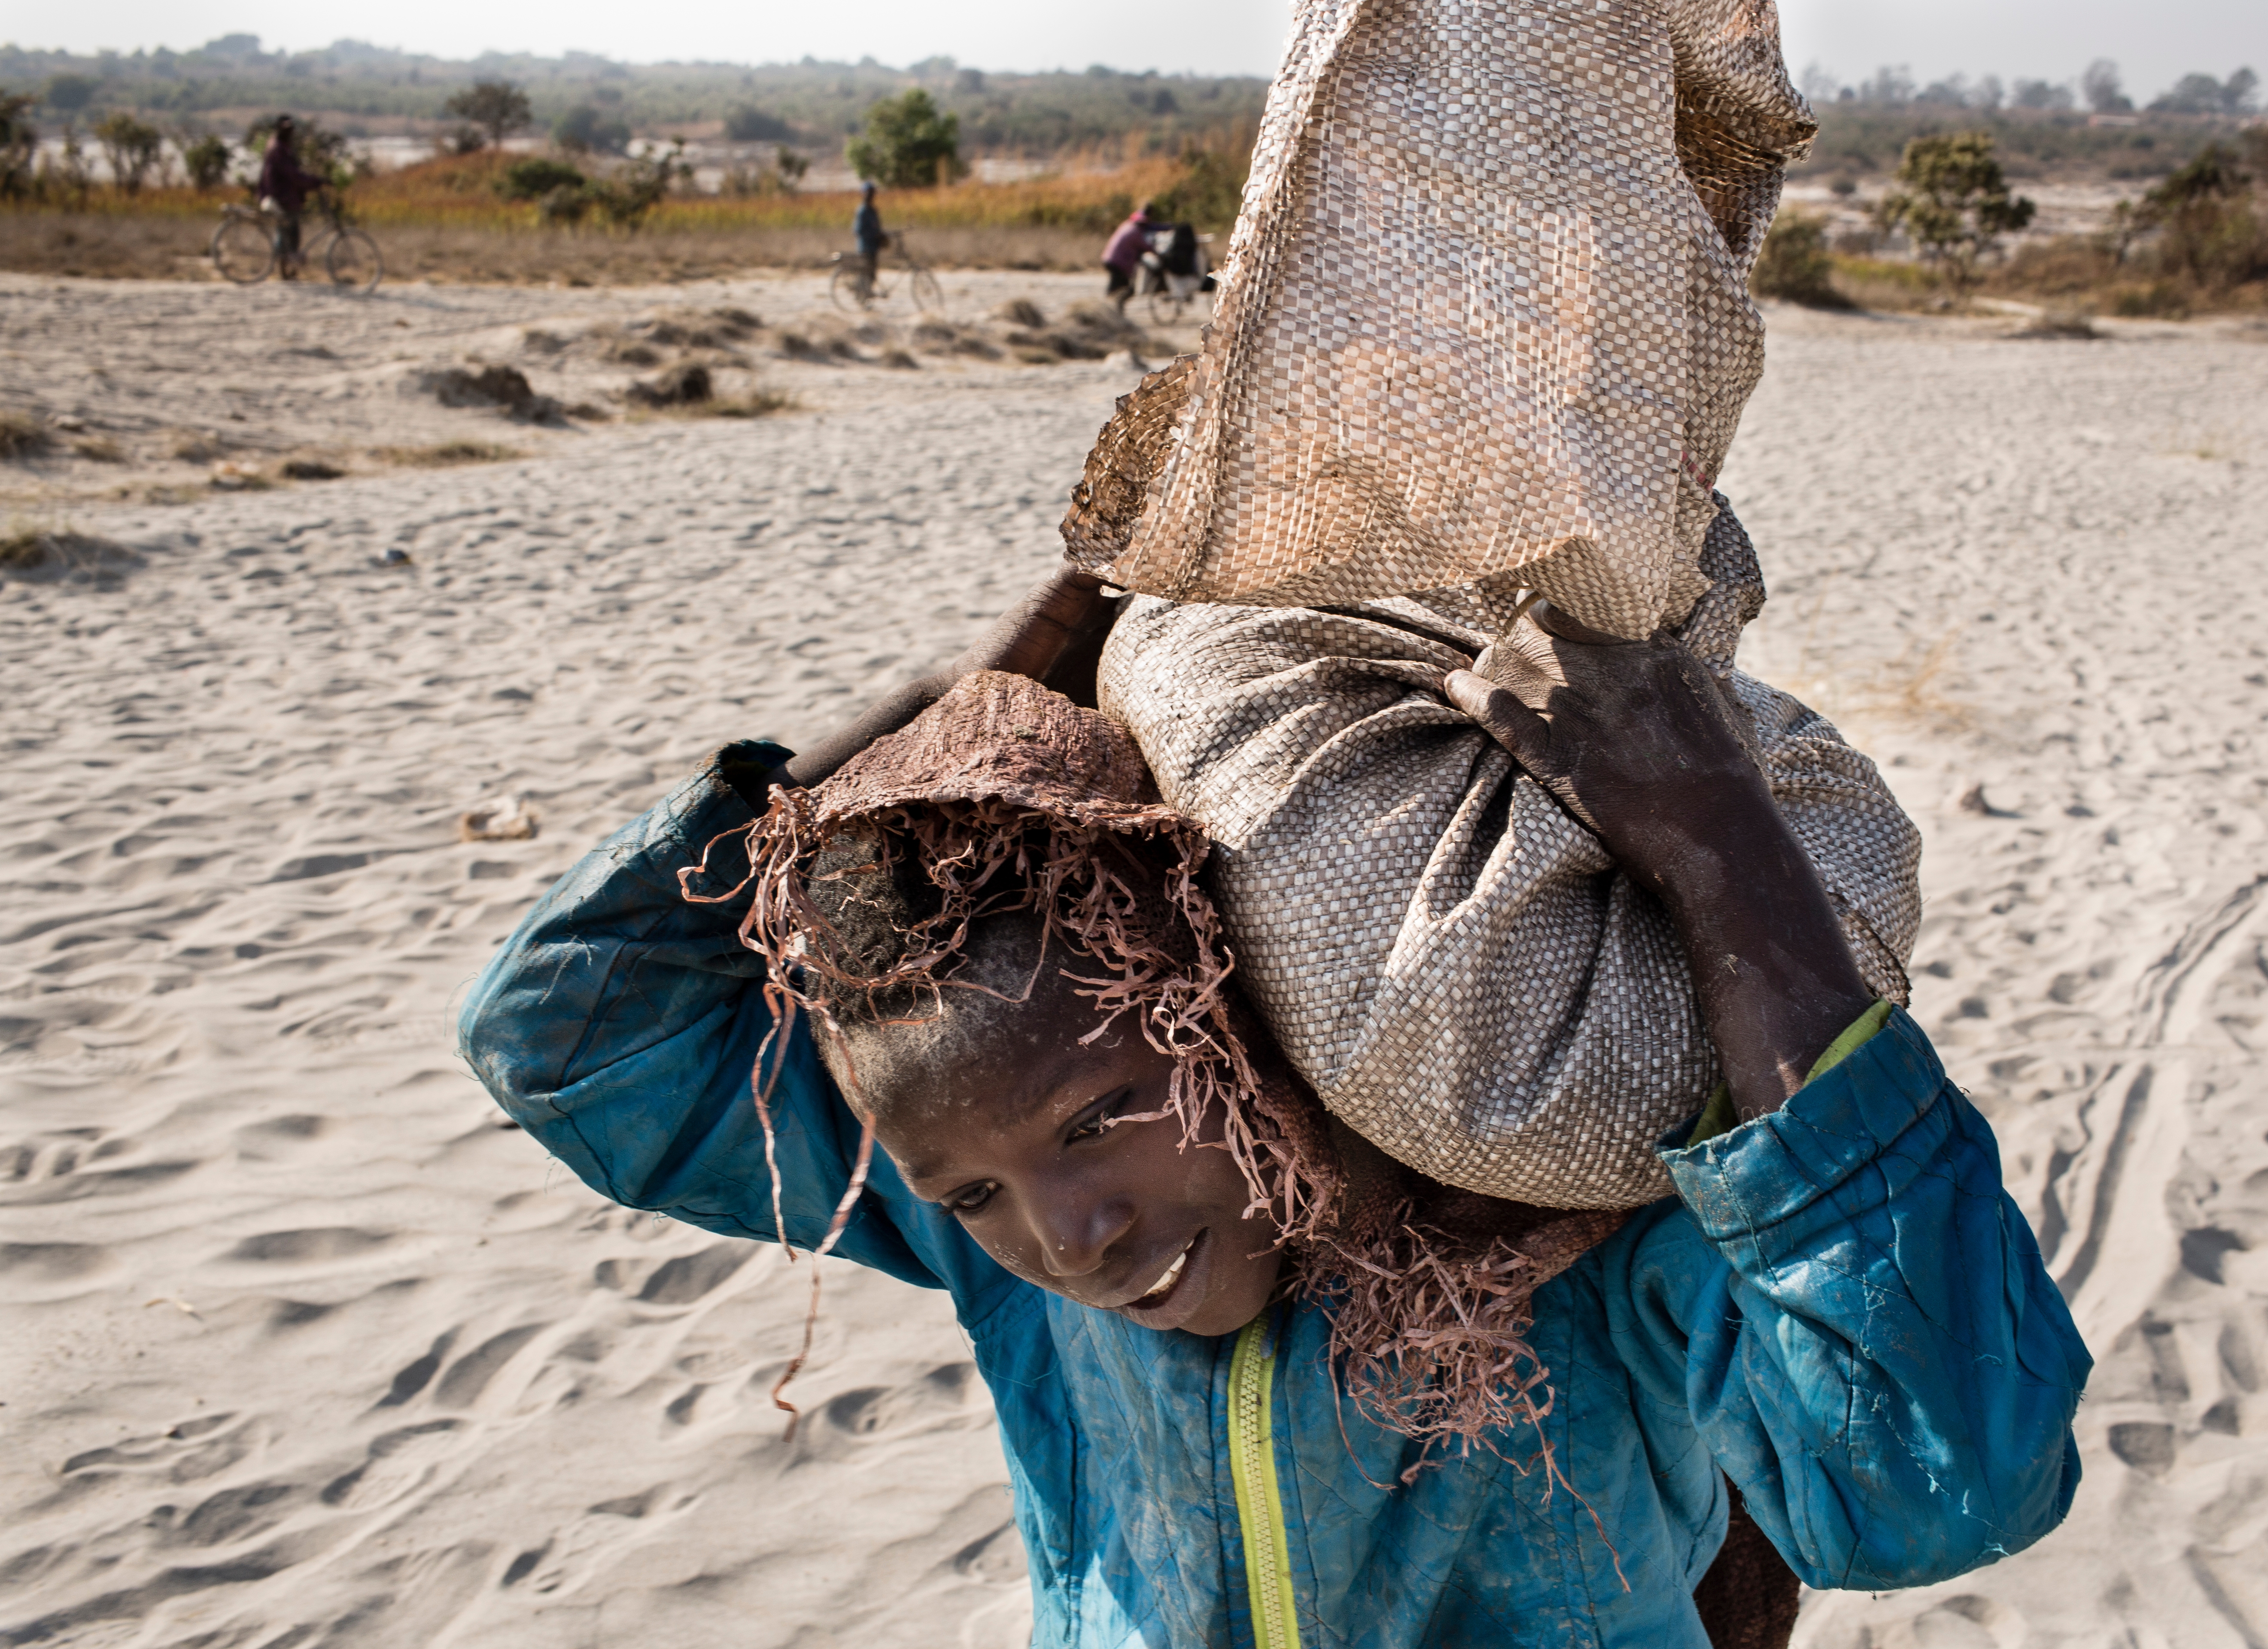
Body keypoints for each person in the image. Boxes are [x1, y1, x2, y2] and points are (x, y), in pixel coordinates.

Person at [460, 565, 2091, 1648]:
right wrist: (947, 712)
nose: (1069, 1236)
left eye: (1099, 1111)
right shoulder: (994, 1250)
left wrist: (1719, 844)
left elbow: (1934, 1482)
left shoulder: (1585, 1254)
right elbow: (552, 1033)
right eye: (973, 1192)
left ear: (1226, 1010)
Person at [256, 115, 323, 281]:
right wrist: (315, 182)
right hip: (280, 197)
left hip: (283, 196)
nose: (290, 134)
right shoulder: (278, 149)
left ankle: (288, 269)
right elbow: (293, 175)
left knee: (290, 231)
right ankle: (284, 263)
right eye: (287, 130)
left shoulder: (281, 147)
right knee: (289, 230)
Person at [1101, 201, 1158, 312]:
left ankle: (1114, 309)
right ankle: (1112, 310)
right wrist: (1158, 254)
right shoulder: (1136, 233)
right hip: (1118, 263)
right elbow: (1148, 247)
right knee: (1126, 289)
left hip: (1109, 259)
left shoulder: (1127, 225)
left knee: (1116, 288)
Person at [851, 180, 887, 300]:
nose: (871, 196)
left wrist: (881, 236)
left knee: (872, 275)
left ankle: (866, 296)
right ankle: (861, 297)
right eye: (869, 193)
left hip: (874, 247)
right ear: (864, 194)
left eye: (872, 193)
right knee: (866, 274)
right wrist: (874, 236)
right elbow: (858, 231)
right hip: (866, 248)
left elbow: (878, 228)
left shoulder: (873, 211)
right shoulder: (862, 211)